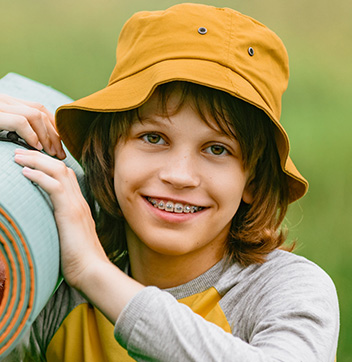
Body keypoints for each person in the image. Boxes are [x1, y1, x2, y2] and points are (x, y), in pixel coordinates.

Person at [0, 3, 339, 361]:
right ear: (110, 154)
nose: (179, 175)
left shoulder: (284, 289)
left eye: (217, 149)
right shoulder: (57, 287)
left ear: (252, 180)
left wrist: (95, 274)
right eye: (153, 138)